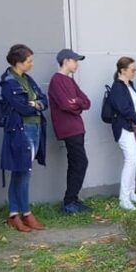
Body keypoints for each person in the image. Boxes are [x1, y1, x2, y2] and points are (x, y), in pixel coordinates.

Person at [0, 44, 48, 232]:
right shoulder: (9, 82)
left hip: (35, 128)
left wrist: (35, 103)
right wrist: (35, 105)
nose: (32, 64)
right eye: (29, 61)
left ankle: (14, 214)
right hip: (21, 130)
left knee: (21, 171)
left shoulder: (28, 79)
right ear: (18, 62)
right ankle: (25, 213)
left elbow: (44, 100)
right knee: (23, 171)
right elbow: (22, 108)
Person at [48, 49, 92, 215]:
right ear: (66, 60)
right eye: (75, 60)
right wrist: (76, 106)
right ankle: (69, 201)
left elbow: (86, 102)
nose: (77, 64)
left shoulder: (70, 81)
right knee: (80, 162)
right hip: (68, 129)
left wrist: (76, 102)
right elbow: (66, 105)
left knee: (76, 163)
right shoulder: (56, 80)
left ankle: (72, 200)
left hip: (77, 128)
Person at [109, 57, 136, 211]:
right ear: (122, 70)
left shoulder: (130, 85)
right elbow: (124, 109)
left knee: (134, 160)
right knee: (131, 160)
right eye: (132, 70)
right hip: (126, 128)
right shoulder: (117, 87)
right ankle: (124, 198)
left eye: (135, 69)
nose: (135, 72)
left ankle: (131, 193)